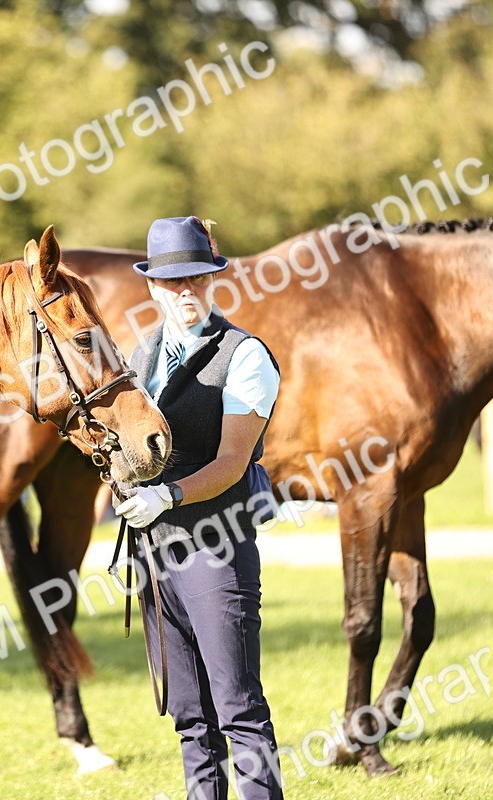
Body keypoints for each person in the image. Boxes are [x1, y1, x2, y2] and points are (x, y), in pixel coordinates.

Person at [114, 216, 284, 800]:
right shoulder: (141, 356)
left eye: (196, 279)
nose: (185, 291)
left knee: (239, 709)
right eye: (172, 282)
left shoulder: (243, 356)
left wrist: (169, 494)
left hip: (216, 551)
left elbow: (233, 463)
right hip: (157, 556)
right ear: (154, 288)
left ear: (213, 280)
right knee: (190, 717)